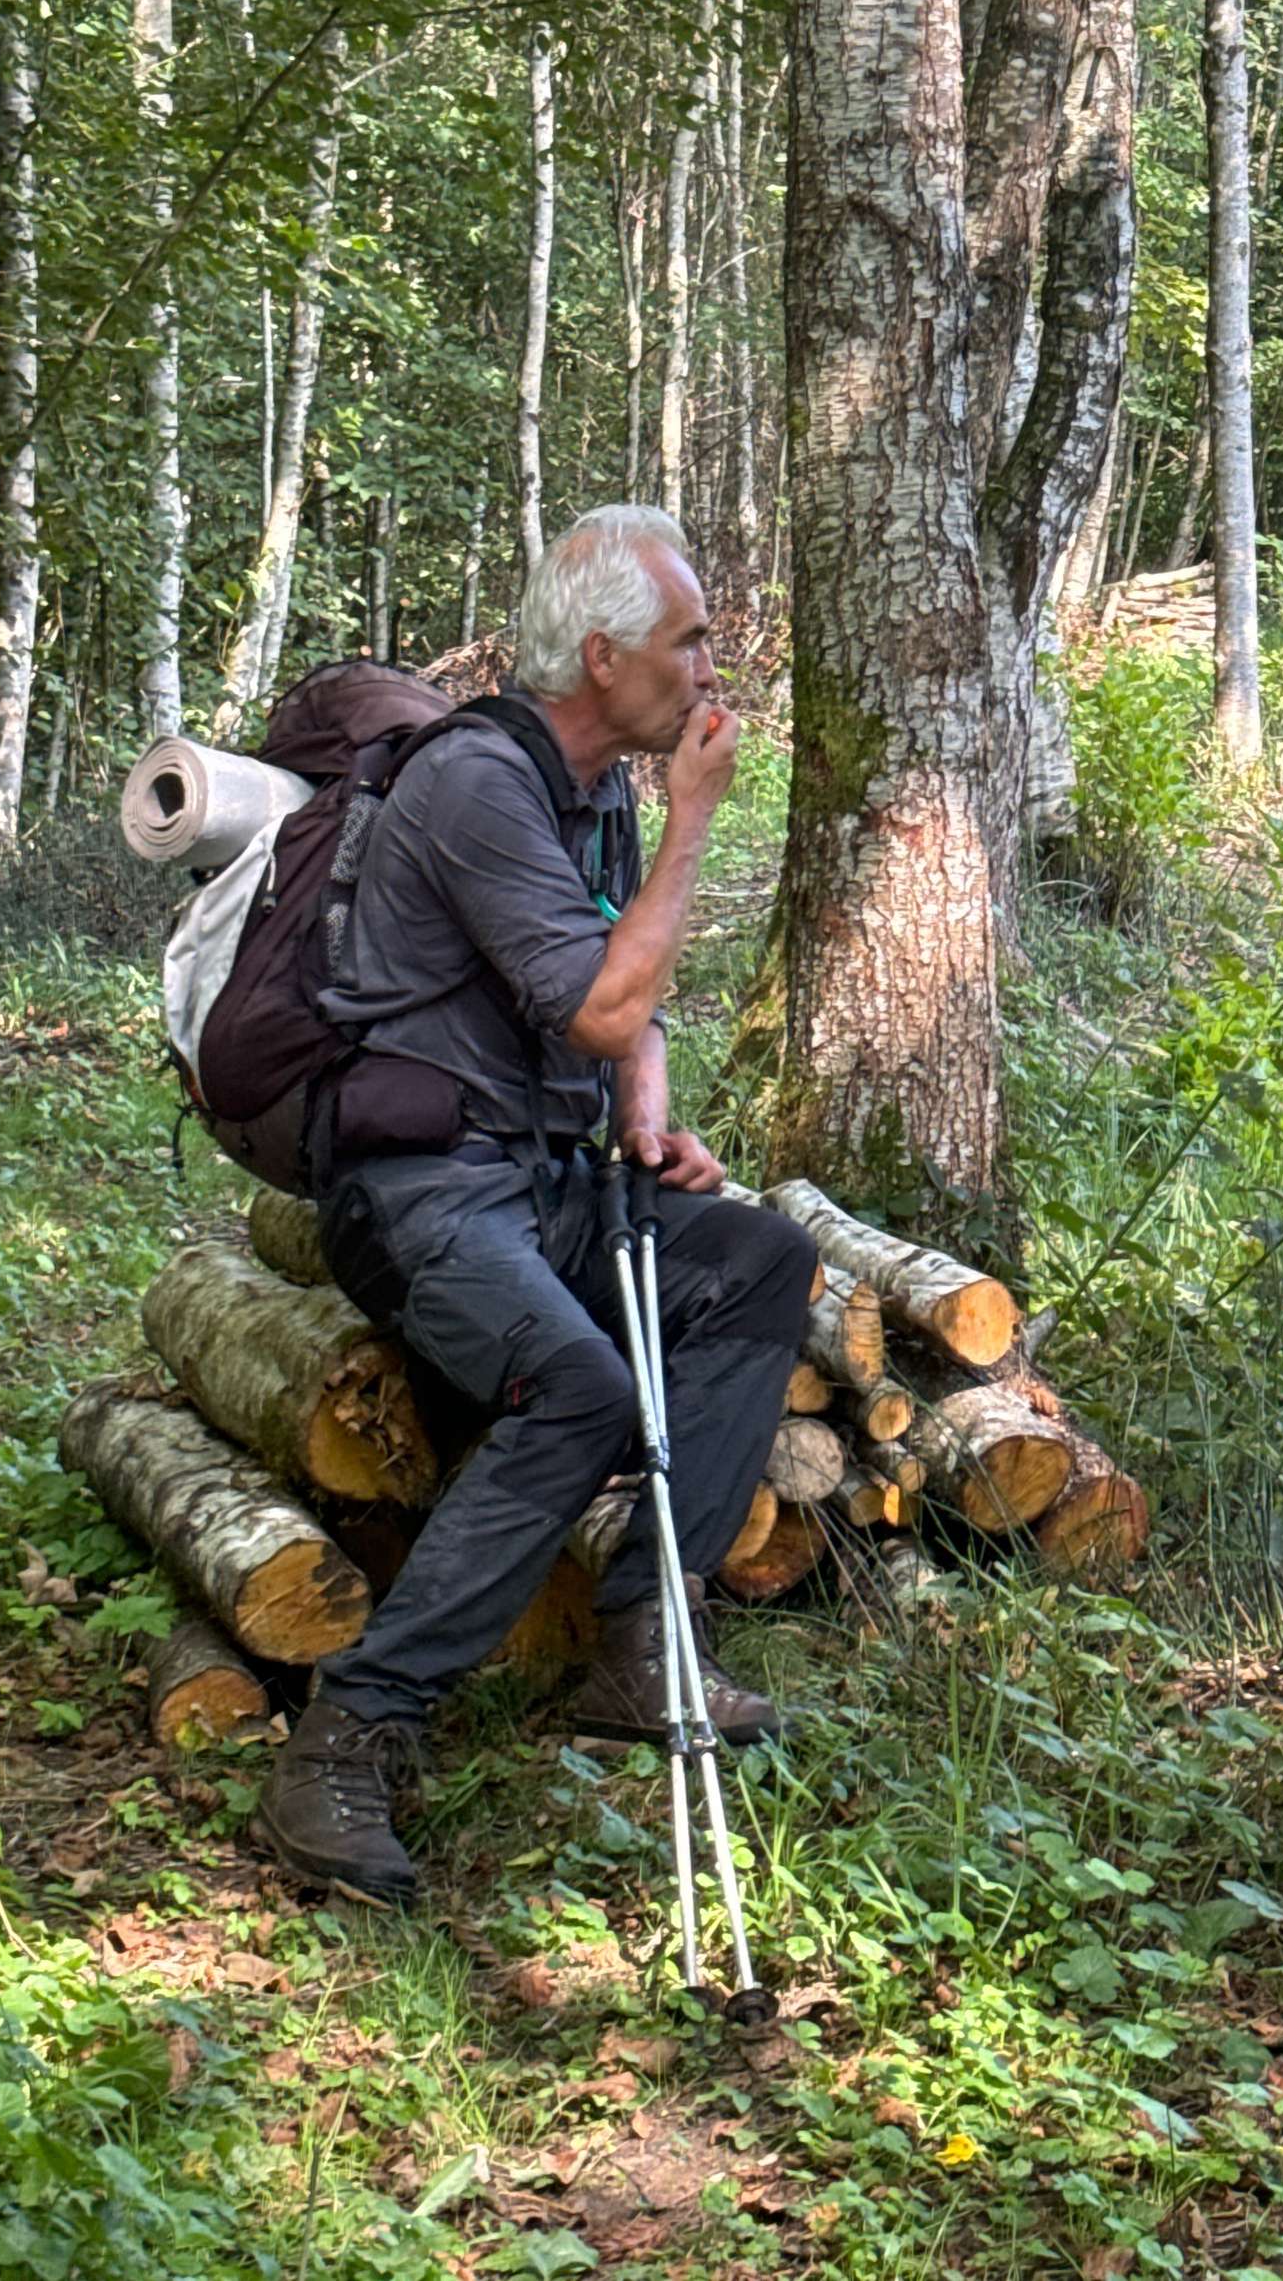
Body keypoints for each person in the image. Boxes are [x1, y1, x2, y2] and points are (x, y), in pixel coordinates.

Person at [257, 505, 816, 1908]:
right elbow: (604, 1002)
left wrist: (647, 1105)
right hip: (420, 1193)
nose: (711, 665)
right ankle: (350, 1734)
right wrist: (697, 821)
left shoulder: (595, 791)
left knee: (759, 1261)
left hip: (545, 1178)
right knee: (578, 1389)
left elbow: (623, 999)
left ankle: (645, 1641)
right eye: (690, 640)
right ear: (605, 656)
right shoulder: (477, 786)